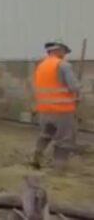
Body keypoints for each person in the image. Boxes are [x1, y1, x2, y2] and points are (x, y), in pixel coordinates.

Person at [31, 40, 80, 171]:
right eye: (64, 51)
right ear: (57, 51)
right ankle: (60, 167)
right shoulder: (64, 65)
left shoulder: (40, 66)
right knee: (64, 140)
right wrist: (80, 86)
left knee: (45, 135)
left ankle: (36, 158)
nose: (64, 54)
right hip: (62, 110)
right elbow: (73, 86)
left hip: (44, 110)